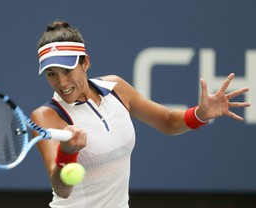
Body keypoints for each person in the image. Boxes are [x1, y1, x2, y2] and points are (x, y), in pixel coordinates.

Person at [30, 20, 250, 208]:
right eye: (52, 74)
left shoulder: (116, 88)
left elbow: (168, 121)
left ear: (85, 62)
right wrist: (67, 154)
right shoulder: (46, 116)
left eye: (67, 71)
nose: (62, 83)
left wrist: (200, 114)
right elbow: (61, 188)